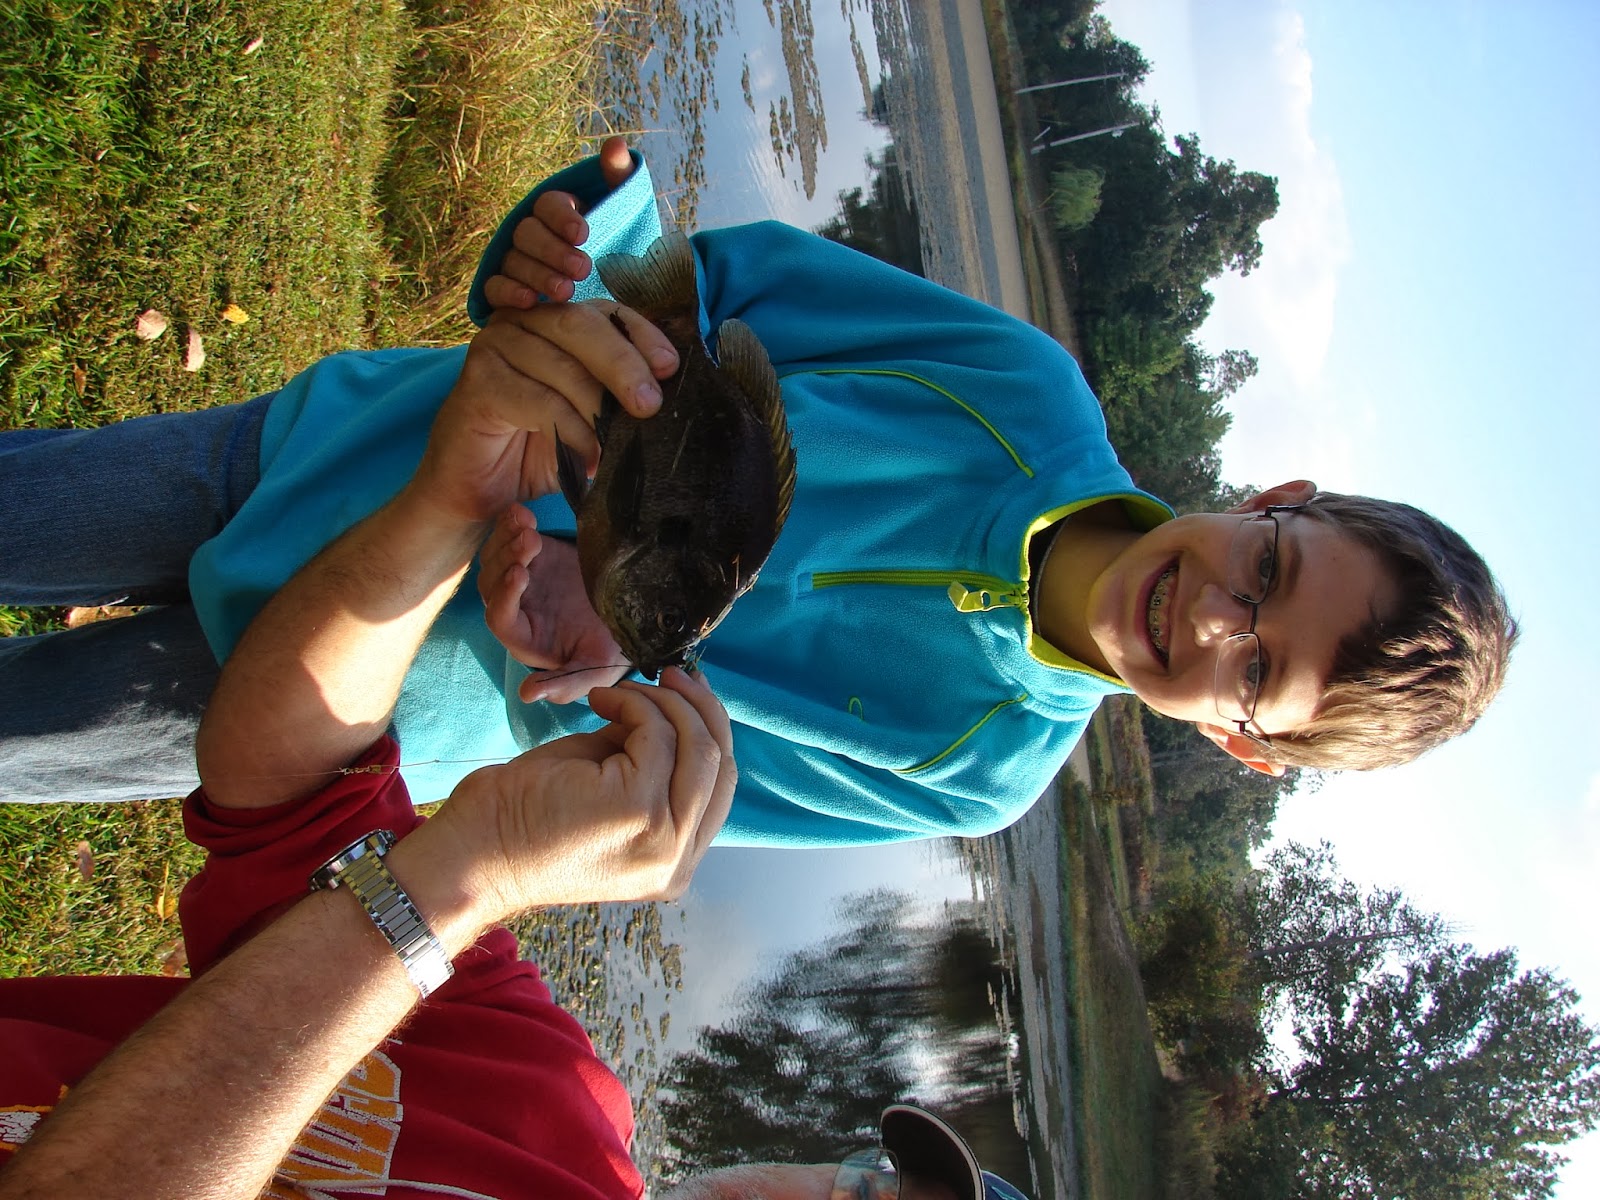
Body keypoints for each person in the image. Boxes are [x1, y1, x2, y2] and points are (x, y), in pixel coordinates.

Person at [0, 140, 1516, 842]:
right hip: (342, 458)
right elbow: (705, 290)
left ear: (1247, 747)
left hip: (358, 701)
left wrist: (594, 669)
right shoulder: (1022, 391)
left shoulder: (975, 774)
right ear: (1276, 494)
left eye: (1260, 671)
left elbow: (660, 772)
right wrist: (577, 241)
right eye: (1271, 566)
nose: (1222, 617)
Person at [0, 309, 1029, 1200]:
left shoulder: (973, 767)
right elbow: (287, 799)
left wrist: (458, 884)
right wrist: (447, 507)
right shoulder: (550, 1096)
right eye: (865, 1189)